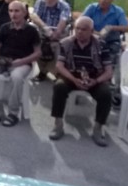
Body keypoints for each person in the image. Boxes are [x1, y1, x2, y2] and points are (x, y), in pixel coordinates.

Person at [48, 16, 112, 146]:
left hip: (94, 77)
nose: (80, 32)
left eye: (84, 29)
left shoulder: (101, 45)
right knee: (59, 87)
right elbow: (59, 66)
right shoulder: (66, 43)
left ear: (92, 31)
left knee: (106, 93)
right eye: (77, 28)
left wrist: (96, 81)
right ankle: (58, 125)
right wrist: (74, 80)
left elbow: (108, 71)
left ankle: (98, 128)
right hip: (71, 75)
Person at [0, 1, 41, 128]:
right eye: (11, 11)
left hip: (22, 63)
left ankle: (13, 113)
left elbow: (38, 53)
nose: (13, 14)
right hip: (3, 61)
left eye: (17, 11)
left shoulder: (32, 30)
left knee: (16, 77)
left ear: (24, 13)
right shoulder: (5, 27)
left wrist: (22, 61)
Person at [82, 0, 128, 105]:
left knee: (110, 57)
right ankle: (88, 81)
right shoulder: (92, 8)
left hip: (111, 41)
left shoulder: (117, 11)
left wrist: (112, 27)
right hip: (92, 38)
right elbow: (81, 22)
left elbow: (126, 28)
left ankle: (106, 84)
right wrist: (94, 32)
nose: (103, 0)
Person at [29, 0, 71, 81]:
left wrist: (56, 33)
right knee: (36, 43)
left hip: (59, 32)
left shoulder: (64, 5)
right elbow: (34, 16)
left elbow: (64, 20)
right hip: (43, 31)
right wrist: (46, 29)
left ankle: (57, 72)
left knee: (57, 47)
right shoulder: (40, 2)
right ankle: (42, 71)